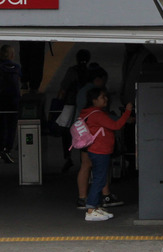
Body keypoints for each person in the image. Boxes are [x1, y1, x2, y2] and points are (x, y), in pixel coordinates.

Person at [79, 88, 132, 222]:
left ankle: (95, 207)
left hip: (96, 149)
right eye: (102, 97)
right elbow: (116, 125)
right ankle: (91, 209)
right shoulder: (97, 114)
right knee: (99, 179)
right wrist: (127, 111)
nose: (106, 99)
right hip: (100, 150)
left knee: (99, 178)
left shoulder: (88, 112)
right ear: (94, 100)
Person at [73, 67, 120, 209]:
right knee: (100, 169)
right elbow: (101, 117)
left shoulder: (81, 91)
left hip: (83, 135)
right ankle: (104, 196)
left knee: (86, 165)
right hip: (93, 136)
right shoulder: (94, 93)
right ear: (98, 79)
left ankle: (82, 197)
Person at [56, 49, 93, 173]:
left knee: (66, 132)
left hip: (70, 105)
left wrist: (58, 101)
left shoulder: (72, 71)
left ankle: (68, 157)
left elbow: (63, 88)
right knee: (84, 132)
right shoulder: (89, 72)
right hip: (85, 107)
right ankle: (84, 159)